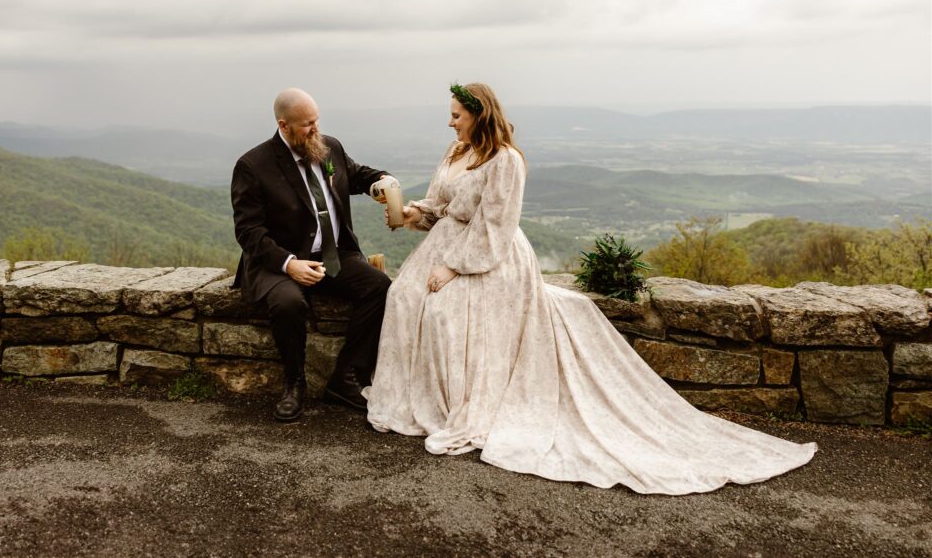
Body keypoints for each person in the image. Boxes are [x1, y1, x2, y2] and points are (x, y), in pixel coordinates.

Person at [364, 82, 816, 495]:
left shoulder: (506, 161)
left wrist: (454, 268)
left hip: (487, 257)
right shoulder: (454, 151)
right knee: (404, 295)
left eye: (457, 115)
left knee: (447, 310)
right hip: (445, 245)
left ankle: (460, 403)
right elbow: (441, 206)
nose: (450, 122)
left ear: (480, 115)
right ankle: (412, 397)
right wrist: (411, 214)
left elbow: (496, 228)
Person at [231, 88, 394, 422]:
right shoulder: (253, 165)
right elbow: (249, 232)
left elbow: (354, 173)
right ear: (284, 124)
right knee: (289, 304)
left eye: (317, 120)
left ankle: (345, 378)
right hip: (278, 262)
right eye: (307, 124)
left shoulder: (327, 145)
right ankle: (294, 384)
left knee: (379, 287)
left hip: (334, 255)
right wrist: (289, 264)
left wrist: (381, 179)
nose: (315, 129)